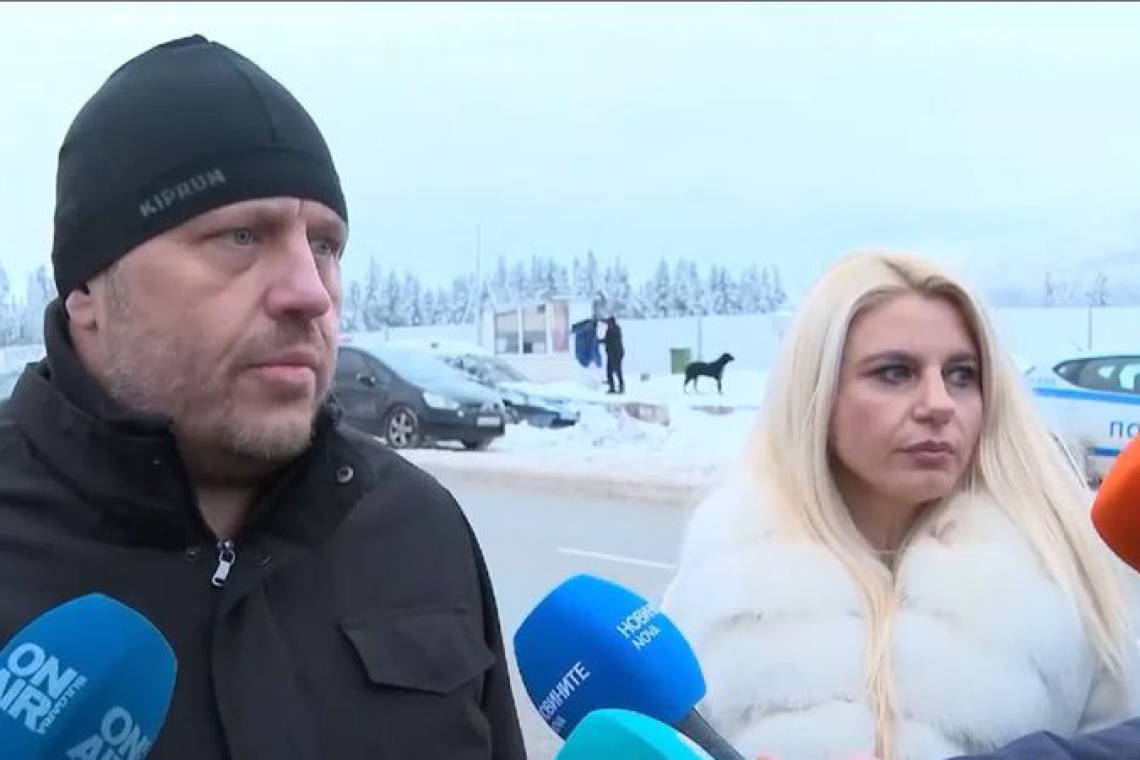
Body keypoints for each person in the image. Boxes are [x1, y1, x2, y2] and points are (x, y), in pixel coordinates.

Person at [0, 36, 526, 759]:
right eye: (241, 236)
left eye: (326, 246)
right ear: (87, 288)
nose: (311, 293)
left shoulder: (419, 528)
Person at [660, 250, 1140, 760]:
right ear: (818, 392)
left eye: (962, 375)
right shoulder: (721, 580)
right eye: (894, 372)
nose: (938, 404)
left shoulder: (1069, 574)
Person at [603, 315, 625, 394]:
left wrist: (615, 356)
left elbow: (612, 342)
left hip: (617, 354)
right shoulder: (610, 330)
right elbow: (607, 340)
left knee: (617, 370)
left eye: (609, 323)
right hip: (611, 353)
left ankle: (621, 387)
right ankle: (612, 387)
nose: (607, 324)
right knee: (609, 371)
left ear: (612, 323)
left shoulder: (615, 331)